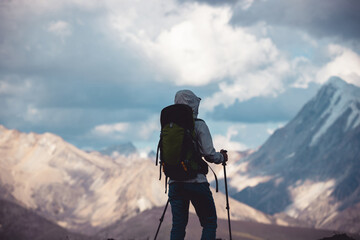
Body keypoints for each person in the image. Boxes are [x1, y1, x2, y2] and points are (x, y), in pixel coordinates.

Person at [168, 89, 228, 240]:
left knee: (178, 225)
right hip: (196, 182)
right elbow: (209, 154)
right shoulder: (199, 125)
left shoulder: (169, 126)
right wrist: (222, 157)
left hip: (175, 182)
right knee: (209, 223)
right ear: (194, 104)